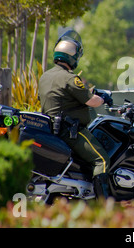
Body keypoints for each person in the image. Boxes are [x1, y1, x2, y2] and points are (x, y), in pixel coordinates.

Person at [38, 29, 113, 200]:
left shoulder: (46, 76)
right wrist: (103, 99)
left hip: (51, 129)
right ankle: (103, 203)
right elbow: (91, 101)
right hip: (71, 131)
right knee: (101, 160)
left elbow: (60, 97)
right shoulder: (70, 78)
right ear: (72, 57)